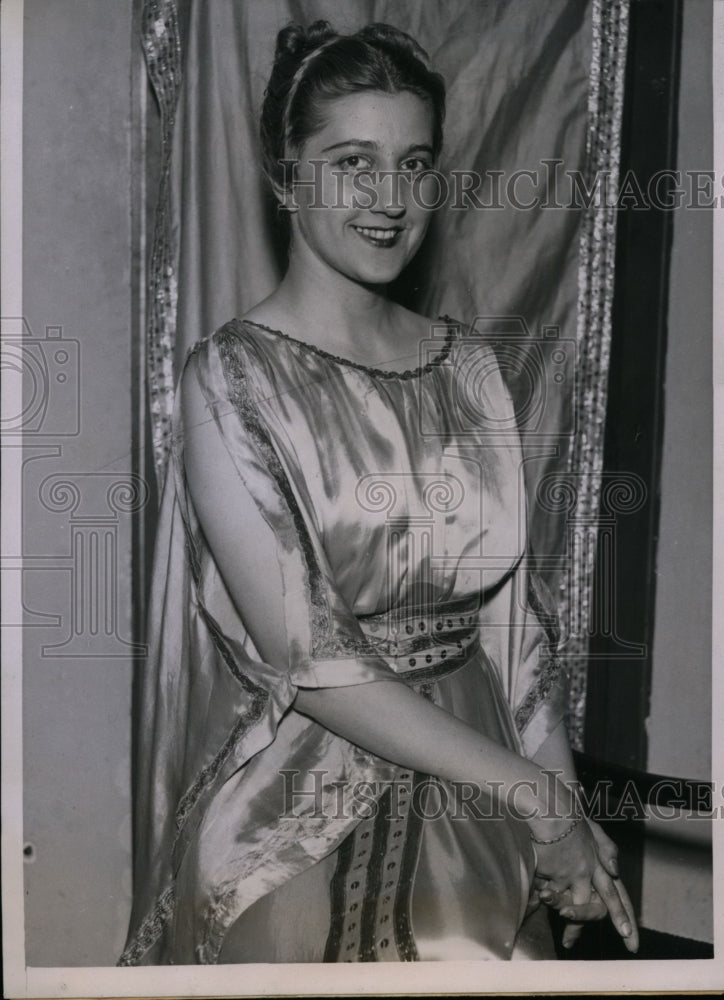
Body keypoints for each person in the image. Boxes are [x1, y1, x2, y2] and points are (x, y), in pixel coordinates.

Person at [120, 20, 638, 965]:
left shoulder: (471, 366)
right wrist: (534, 797)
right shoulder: (228, 379)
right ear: (286, 176)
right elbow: (307, 654)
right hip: (303, 811)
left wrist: (554, 820)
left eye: (414, 163)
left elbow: (512, 629)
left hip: (483, 794)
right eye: (351, 162)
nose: (389, 198)